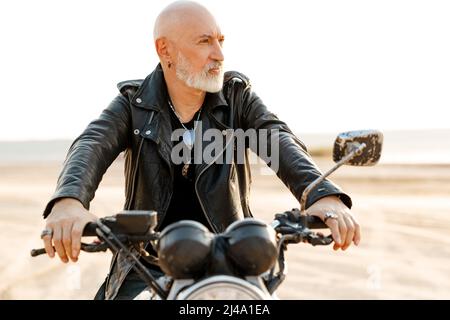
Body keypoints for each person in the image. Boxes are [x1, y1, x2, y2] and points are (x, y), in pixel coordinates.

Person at [40, 0, 359, 300]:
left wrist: (322, 196)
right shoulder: (133, 103)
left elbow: (277, 139)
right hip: (148, 261)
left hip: (233, 255)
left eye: (221, 41)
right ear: (165, 49)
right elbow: (92, 143)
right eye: (205, 42)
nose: (219, 54)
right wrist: (69, 202)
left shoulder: (237, 97)